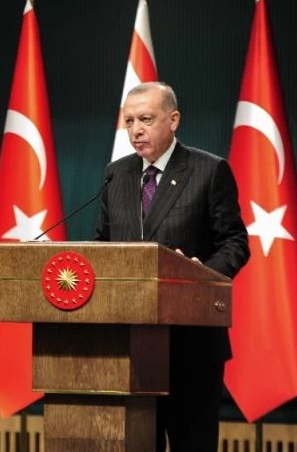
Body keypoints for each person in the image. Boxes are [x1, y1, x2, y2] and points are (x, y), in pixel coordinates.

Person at [95, 82, 250, 452]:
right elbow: (102, 245)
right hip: (129, 347)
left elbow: (235, 242)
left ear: (174, 120)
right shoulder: (117, 174)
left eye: (146, 119)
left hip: (191, 346)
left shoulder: (209, 170)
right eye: (129, 121)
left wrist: (203, 275)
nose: (136, 130)